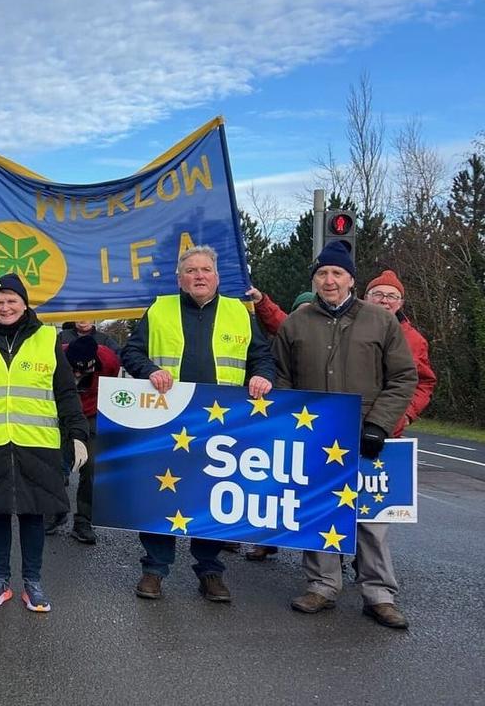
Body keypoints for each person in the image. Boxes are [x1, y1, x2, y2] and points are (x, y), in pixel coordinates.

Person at [121, 245, 275, 603]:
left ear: (217, 277)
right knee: (163, 495)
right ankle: (154, 570)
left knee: (211, 497)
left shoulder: (239, 312)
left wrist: (263, 377)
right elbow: (132, 352)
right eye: (191, 271)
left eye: (206, 270)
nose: (199, 276)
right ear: (180, 278)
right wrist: (150, 370)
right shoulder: (160, 309)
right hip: (168, 421)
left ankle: (210, 571)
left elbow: (262, 357)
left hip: (221, 426)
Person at [276, 244, 418, 629]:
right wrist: (292, 424)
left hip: (366, 436)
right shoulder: (295, 323)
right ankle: (322, 585)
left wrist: (380, 424)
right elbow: (282, 378)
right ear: (314, 280)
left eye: (337, 274)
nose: (329, 280)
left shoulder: (381, 321)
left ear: (351, 279)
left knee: (371, 519)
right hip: (315, 436)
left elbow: (404, 377)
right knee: (320, 511)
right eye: (322, 274)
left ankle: (378, 594)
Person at [0, 274, 89, 612]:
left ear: (25, 304)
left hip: (37, 443)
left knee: (32, 514)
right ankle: (0, 579)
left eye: (12, 301)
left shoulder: (46, 338)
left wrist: (77, 434)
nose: (5, 307)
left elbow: (65, 391)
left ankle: (33, 582)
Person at [242, 286, 314, 563]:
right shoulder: (283, 335)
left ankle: (332, 555)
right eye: (300, 310)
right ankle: (264, 539)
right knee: (269, 483)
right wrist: (261, 301)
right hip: (280, 415)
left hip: (313, 417)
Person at [54, 334, 121, 544]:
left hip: (91, 413)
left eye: (82, 371)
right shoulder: (55, 355)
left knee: (92, 466)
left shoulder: (109, 361)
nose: (76, 375)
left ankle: (83, 520)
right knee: (52, 462)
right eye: (73, 370)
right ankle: (55, 511)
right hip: (60, 412)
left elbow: (111, 388)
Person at [363, 270, 436, 435]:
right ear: (366, 297)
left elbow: (425, 382)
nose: (384, 301)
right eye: (378, 294)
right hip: (343, 423)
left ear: (400, 303)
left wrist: (408, 414)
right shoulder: (347, 328)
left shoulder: (415, 340)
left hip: (388, 429)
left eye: (392, 296)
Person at [57, 319, 121, 354]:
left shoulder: (104, 339)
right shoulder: (62, 336)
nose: (83, 319)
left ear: (93, 319)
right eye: (79, 315)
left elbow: (119, 355)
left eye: (87, 316)